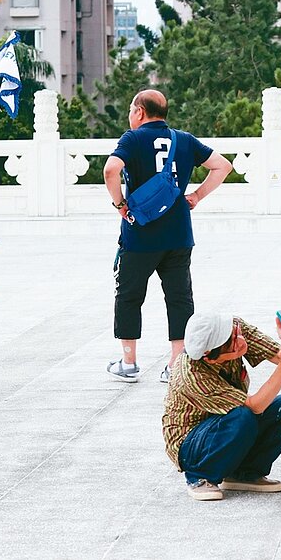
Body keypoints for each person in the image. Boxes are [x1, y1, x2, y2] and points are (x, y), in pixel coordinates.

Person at [102, 90, 233, 384]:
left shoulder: (132, 139)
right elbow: (223, 166)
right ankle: (176, 363)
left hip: (140, 234)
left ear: (139, 112)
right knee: (179, 297)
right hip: (178, 234)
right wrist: (197, 195)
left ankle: (129, 361)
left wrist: (120, 205)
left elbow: (111, 169)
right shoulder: (183, 139)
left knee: (129, 295)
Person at [164, 313, 281, 501]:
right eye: (232, 345)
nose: (240, 341)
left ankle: (246, 473)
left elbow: (280, 357)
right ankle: (199, 475)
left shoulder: (232, 327)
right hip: (190, 443)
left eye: (236, 334)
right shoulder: (191, 374)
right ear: (210, 358)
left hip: (229, 422)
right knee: (242, 416)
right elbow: (254, 406)